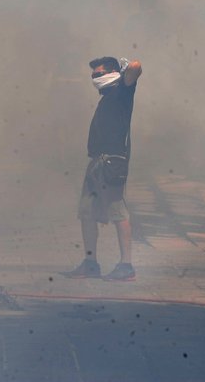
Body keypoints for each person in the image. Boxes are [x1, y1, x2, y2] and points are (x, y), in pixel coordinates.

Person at [65, 55, 142, 281]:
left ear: (112, 73)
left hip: (112, 163)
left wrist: (125, 66)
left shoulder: (122, 92)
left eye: (99, 74)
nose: (95, 79)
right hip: (96, 162)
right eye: (93, 76)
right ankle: (90, 263)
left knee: (118, 213)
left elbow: (136, 67)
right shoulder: (107, 97)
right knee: (87, 212)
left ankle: (126, 265)